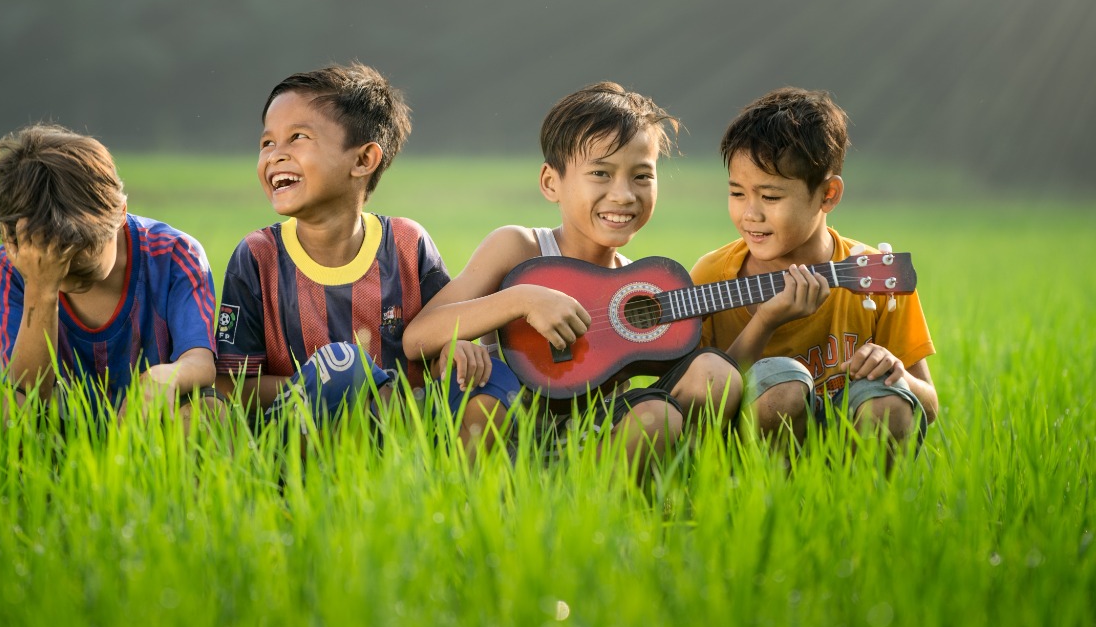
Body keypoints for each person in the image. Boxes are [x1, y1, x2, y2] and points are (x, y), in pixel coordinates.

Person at [402, 82, 741, 479]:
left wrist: (771, 313)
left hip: (595, 441)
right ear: (551, 183)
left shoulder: (641, 286)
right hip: (510, 432)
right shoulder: (520, 247)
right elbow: (417, 337)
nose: (624, 194)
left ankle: (611, 508)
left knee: (682, 398)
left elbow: (702, 380)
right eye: (601, 173)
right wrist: (522, 300)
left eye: (642, 176)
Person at [213, 62, 520, 455]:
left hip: (406, 428)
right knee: (344, 364)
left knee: (494, 374)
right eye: (267, 143)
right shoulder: (257, 257)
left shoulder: (408, 244)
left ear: (363, 160)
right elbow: (233, 385)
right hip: (301, 439)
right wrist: (355, 385)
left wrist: (455, 350)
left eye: (298, 138)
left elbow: (439, 337)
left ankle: (450, 488)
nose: (276, 156)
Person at [690, 87, 939, 454]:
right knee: (781, 390)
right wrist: (765, 322)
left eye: (771, 197)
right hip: (746, 455)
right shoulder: (712, 274)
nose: (750, 214)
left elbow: (928, 406)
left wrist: (898, 374)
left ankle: (865, 508)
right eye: (737, 193)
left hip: (845, 444)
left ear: (829, 195)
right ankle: (775, 504)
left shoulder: (874, 276)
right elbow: (697, 409)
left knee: (889, 403)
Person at [0, 123, 220, 431]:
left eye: (74, 251)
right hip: (55, 434)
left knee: (207, 410)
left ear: (119, 214)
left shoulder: (174, 255)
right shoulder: (7, 270)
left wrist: (164, 376)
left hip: (152, 429)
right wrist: (40, 286)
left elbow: (201, 360)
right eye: (46, 254)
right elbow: (25, 394)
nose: (60, 266)